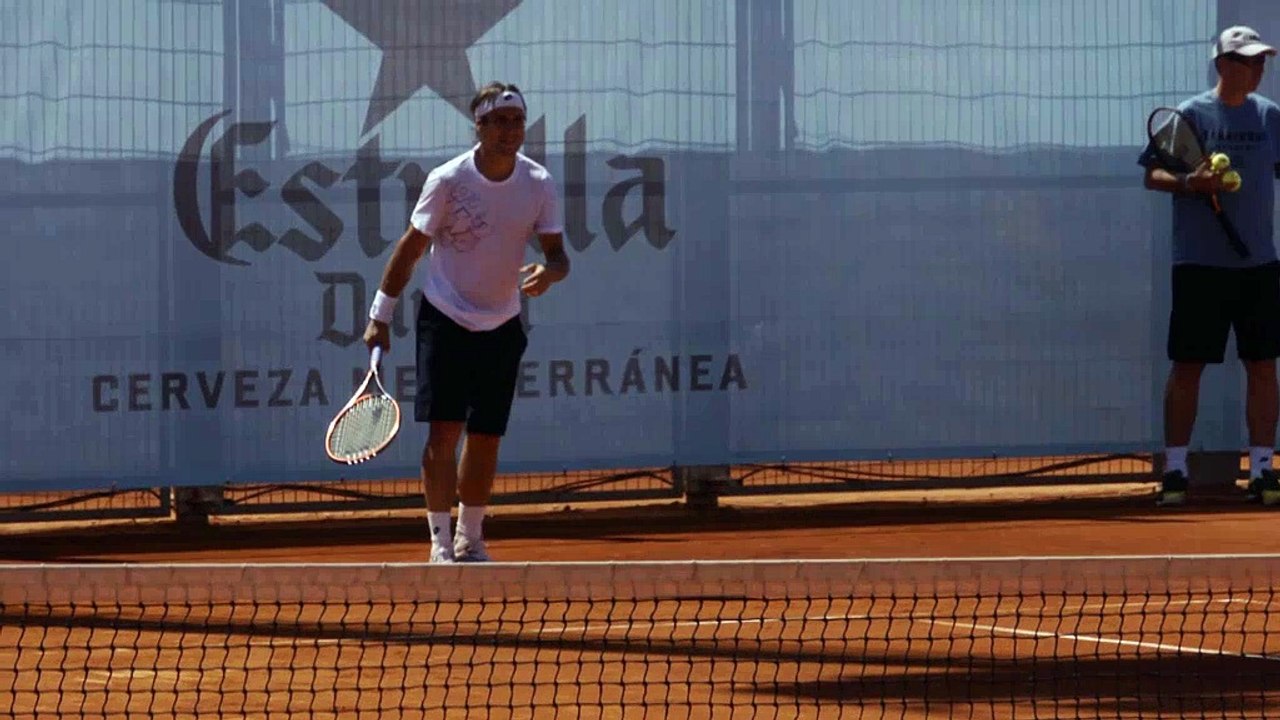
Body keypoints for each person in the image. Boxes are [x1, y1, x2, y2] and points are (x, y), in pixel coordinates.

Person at [363, 82, 569, 561]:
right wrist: (380, 316)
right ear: (479, 126)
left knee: (486, 438)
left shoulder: (538, 182)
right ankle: (439, 542)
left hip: (503, 325)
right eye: (499, 122)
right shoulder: (448, 179)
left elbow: (559, 256)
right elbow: (411, 249)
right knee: (443, 434)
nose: (509, 130)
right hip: (446, 318)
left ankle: (470, 538)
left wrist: (551, 272)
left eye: (517, 121)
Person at [1139, 26, 1280, 506]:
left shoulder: (1270, 116)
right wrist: (1190, 184)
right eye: (1247, 60)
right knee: (1188, 366)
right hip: (1199, 265)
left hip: (1258, 264)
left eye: (1260, 61)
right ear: (1222, 64)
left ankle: (1262, 471)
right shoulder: (1190, 115)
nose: (1257, 69)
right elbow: (1152, 174)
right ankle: (1176, 472)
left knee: (1263, 365)